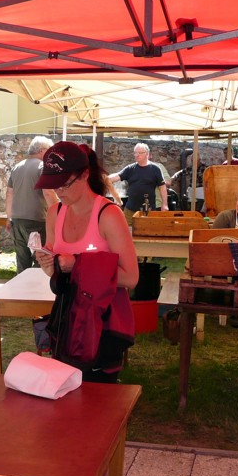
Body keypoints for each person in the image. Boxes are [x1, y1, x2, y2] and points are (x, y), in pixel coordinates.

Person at [33, 141, 139, 383]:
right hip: (67, 318)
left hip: (102, 321)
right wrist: (49, 263)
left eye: (65, 184)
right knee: (63, 390)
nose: (59, 190)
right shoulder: (55, 213)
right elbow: (56, 272)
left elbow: (131, 277)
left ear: (85, 175)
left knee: (97, 395)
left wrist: (77, 264)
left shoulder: (109, 214)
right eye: (53, 184)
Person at [6, 136, 57, 274]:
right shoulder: (42, 167)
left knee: (22, 261)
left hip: (17, 221)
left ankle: (21, 286)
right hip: (36, 221)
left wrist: (9, 218)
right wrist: (59, 214)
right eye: (49, 151)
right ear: (41, 151)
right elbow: (48, 193)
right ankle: (36, 286)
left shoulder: (17, 167)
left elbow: (9, 194)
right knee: (41, 259)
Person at [107, 143, 168, 224]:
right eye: (135, 152)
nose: (137, 155)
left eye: (140, 153)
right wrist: (108, 178)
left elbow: (162, 187)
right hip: (130, 210)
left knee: (148, 230)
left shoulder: (155, 169)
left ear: (147, 154)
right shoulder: (130, 169)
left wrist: (165, 204)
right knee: (126, 230)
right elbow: (116, 176)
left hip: (148, 210)